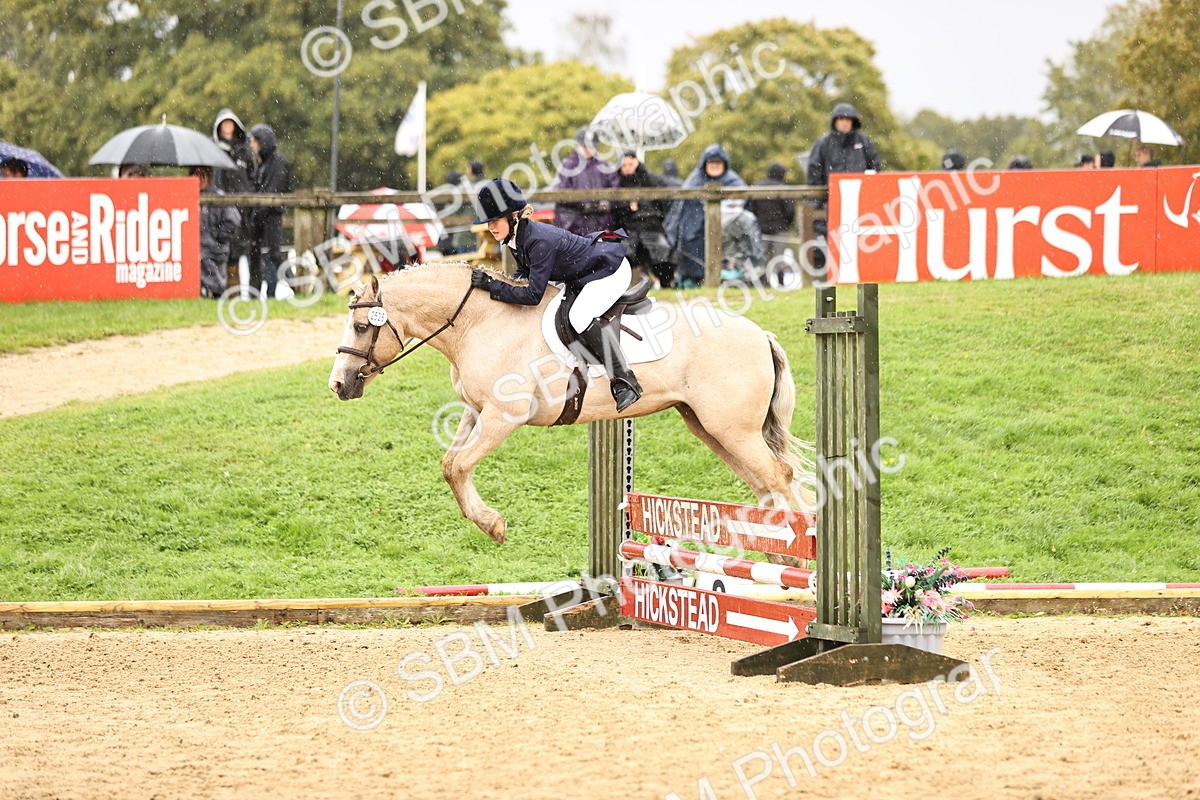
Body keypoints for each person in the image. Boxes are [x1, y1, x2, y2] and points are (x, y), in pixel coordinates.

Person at [467, 178, 642, 412]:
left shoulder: (538, 241)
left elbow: (533, 295)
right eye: (488, 222)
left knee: (578, 316)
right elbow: (523, 276)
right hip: (584, 274)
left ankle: (625, 380)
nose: (490, 227)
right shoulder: (515, 239)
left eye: (495, 221)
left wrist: (492, 286)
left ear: (514, 216)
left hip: (609, 270)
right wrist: (495, 286)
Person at [806, 104, 882, 277]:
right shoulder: (824, 143)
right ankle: (823, 279)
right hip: (830, 203)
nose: (845, 123)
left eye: (848, 119)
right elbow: (814, 171)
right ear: (835, 122)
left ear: (853, 122)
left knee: (861, 241)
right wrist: (821, 199)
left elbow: (876, 168)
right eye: (841, 119)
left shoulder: (864, 143)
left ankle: (861, 275)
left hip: (860, 203)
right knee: (824, 242)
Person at [663, 144, 745, 288]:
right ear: (705, 164)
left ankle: (729, 278)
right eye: (711, 163)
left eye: (718, 163)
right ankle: (692, 278)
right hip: (694, 226)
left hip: (726, 226)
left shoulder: (733, 181)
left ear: (724, 164)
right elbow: (681, 208)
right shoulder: (694, 180)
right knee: (690, 239)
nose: (714, 166)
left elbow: (743, 202)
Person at [612, 151, 675, 288]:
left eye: (631, 164)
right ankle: (620, 287)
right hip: (628, 228)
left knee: (662, 254)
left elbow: (665, 201)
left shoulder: (651, 180)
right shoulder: (616, 183)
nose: (628, 167)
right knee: (624, 256)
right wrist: (627, 207)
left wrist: (656, 215)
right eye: (624, 165)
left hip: (651, 226)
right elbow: (614, 209)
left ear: (637, 162)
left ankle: (667, 284)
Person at [211, 109, 255, 292]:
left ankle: (236, 292)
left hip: (243, 209)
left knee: (239, 252)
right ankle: (220, 290)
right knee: (220, 249)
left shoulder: (244, 153)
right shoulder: (213, 151)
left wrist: (249, 196)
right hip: (220, 207)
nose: (228, 127)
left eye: (231, 123)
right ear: (219, 127)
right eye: (224, 123)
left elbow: (252, 177)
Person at [247, 123, 291, 298]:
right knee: (256, 254)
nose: (251, 145)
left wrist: (257, 212)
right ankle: (254, 293)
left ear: (262, 142)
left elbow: (272, 193)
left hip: (271, 216)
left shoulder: (277, 162)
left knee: (273, 254)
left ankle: (290, 287)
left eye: (254, 141)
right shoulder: (261, 163)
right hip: (260, 216)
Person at [554, 127, 618, 236]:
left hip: (599, 223)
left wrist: (605, 201)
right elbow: (563, 191)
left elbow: (614, 187)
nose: (588, 149)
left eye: (591, 146)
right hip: (574, 224)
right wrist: (582, 203)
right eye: (585, 146)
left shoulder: (603, 165)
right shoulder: (568, 165)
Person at [190, 166, 242, 299]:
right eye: (196, 175)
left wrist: (218, 237)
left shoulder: (219, 197)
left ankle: (217, 293)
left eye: (203, 176)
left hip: (214, 249)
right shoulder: (188, 197)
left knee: (211, 273)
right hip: (194, 249)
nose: (200, 180)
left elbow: (233, 220)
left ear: (209, 178)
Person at [747, 162, 795, 267]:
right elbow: (790, 210)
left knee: (761, 259)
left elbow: (751, 207)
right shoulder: (784, 188)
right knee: (779, 259)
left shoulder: (757, 186)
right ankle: (780, 281)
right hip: (780, 228)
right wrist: (786, 224)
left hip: (760, 229)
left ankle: (763, 282)